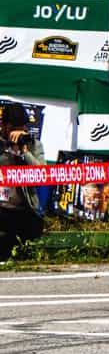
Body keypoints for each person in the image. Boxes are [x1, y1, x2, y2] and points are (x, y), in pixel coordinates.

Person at [0, 103, 45, 259]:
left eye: (22, 127)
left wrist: (24, 152)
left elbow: (42, 174)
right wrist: (8, 150)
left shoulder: (33, 145)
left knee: (34, 226)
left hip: (24, 207)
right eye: (14, 128)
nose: (18, 132)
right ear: (3, 126)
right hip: (2, 207)